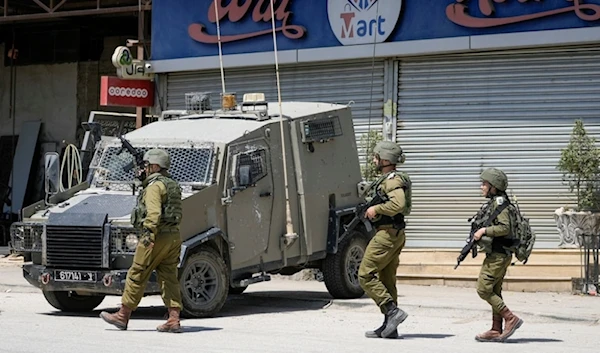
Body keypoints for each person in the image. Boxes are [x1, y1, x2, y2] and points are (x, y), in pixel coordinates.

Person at [100, 148, 184, 333]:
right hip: (173, 237)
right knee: (169, 277)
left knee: (137, 273)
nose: (144, 169)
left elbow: (154, 213)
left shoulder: (154, 187)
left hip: (156, 236)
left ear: (155, 166)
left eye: (147, 165)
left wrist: (148, 235)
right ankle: (174, 318)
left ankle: (122, 315)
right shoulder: (172, 184)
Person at [358, 141, 412, 339]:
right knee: (387, 280)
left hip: (387, 235)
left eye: (376, 157)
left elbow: (398, 203)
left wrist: (376, 209)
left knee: (365, 275)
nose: (374, 160)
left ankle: (392, 311)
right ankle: (390, 326)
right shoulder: (388, 179)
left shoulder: (391, 180)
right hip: (395, 234)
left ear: (386, 159)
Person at [472, 168, 523, 342]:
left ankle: (510, 318)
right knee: (495, 290)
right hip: (498, 253)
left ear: (494, 186)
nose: (481, 187)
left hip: (499, 255)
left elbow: (504, 228)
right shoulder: (496, 202)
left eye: (484, 184)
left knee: (483, 289)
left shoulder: (500, 204)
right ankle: (496, 328)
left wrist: (484, 230)